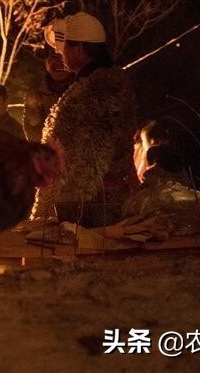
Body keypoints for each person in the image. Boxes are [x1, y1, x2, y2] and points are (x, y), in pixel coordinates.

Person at [32, 12, 138, 226]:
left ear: (79, 49)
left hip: (91, 210)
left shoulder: (99, 91)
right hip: (89, 204)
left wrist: (68, 208)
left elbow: (90, 157)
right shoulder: (93, 86)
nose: (60, 54)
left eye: (65, 48)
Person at [122, 120, 200, 236]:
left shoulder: (152, 173)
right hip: (187, 216)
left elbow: (144, 191)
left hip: (164, 216)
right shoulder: (182, 173)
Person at [22, 48, 75, 142]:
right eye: (54, 56)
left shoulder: (82, 87)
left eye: (63, 56)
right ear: (46, 62)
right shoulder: (36, 93)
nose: (59, 62)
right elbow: (33, 129)